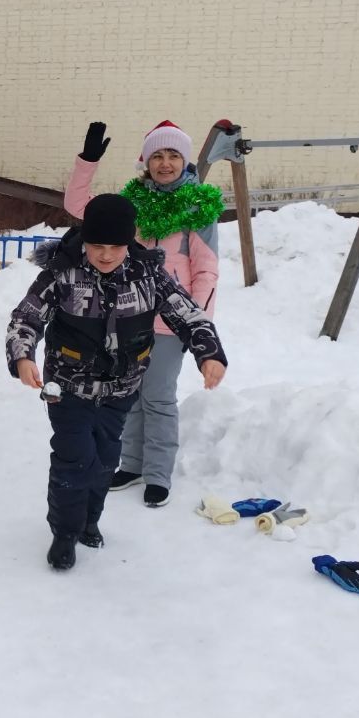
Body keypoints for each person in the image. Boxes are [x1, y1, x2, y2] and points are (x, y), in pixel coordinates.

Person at [6, 193, 227, 571]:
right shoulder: (63, 273)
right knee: (74, 459)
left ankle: (90, 519)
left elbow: (189, 314)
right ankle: (64, 531)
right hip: (68, 388)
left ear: (129, 243)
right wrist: (22, 355)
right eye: (96, 246)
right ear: (84, 241)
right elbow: (26, 318)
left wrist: (209, 353)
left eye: (115, 247)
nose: (106, 255)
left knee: (106, 459)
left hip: (121, 388)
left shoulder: (148, 275)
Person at [63, 120, 224, 507]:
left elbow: (206, 271)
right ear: (146, 160)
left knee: (158, 397)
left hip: (170, 319)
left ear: (184, 161)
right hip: (129, 314)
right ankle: (132, 464)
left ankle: (157, 473)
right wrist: (87, 162)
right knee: (129, 394)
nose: (164, 163)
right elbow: (78, 208)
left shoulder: (197, 208)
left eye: (172, 155)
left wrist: (194, 324)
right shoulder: (131, 204)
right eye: (157, 155)